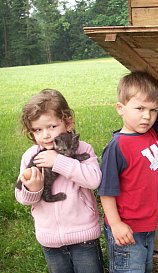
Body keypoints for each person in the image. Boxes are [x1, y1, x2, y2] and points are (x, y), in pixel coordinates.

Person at [98, 54, 158, 273]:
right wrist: (115, 224)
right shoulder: (117, 146)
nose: (147, 116)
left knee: (143, 267)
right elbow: (106, 191)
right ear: (120, 108)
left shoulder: (149, 132)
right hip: (127, 228)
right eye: (140, 109)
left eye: (152, 111)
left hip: (146, 224)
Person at [15, 89, 104, 273]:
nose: (45, 135)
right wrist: (33, 189)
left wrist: (59, 161)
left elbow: (94, 180)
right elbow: (23, 198)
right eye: (38, 130)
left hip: (83, 236)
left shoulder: (82, 148)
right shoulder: (31, 156)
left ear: (68, 122)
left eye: (52, 127)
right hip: (50, 239)